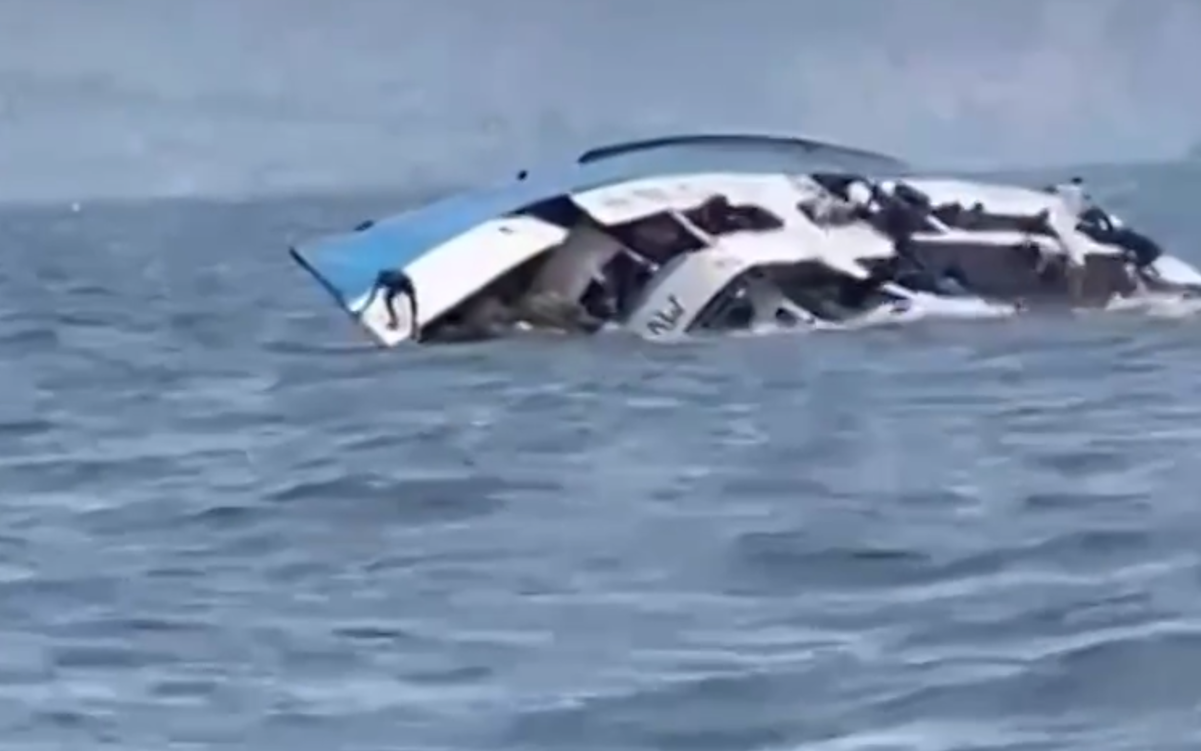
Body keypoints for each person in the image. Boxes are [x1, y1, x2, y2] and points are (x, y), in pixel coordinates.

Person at [372, 268, 419, 339]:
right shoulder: (382, 280)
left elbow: (372, 297)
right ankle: (398, 320)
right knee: (411, 298)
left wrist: (362, 310)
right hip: (402, 279)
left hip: (401, 280)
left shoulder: (383, 281)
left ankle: (398, 321)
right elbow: (372, 296)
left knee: (388, 298)